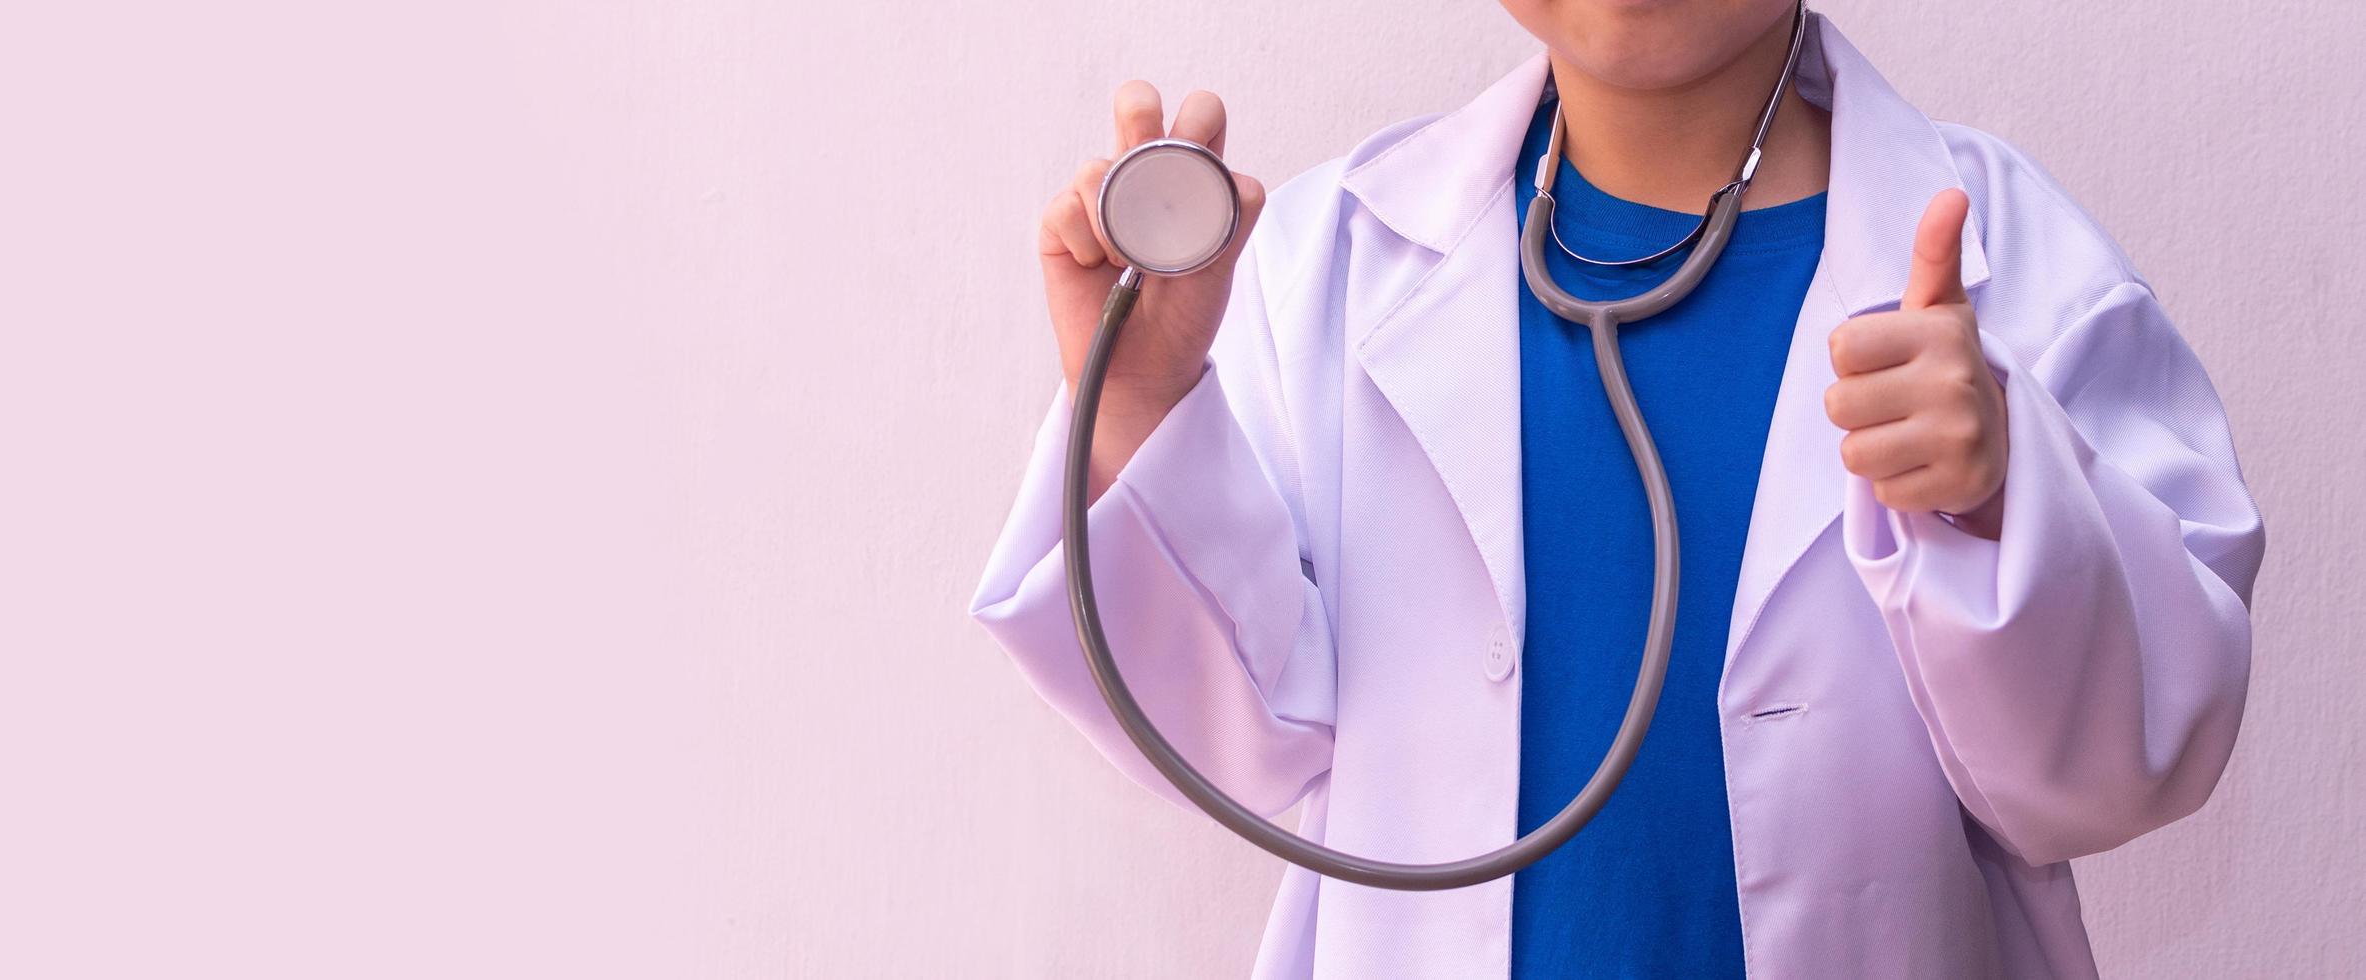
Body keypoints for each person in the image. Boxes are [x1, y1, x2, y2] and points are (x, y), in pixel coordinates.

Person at [967, 3, 2265, 977]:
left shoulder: (2019, 271)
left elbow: (2115, 774)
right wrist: (1139, 408)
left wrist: (2004, 502)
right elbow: (1235, 742)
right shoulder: (1330, 263)